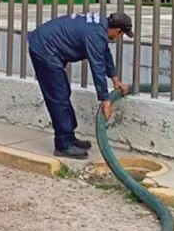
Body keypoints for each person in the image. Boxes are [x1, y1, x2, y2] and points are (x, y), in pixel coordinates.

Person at [27, 11, 132, 159]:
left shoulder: (101, 26)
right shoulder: (95, 34)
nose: (119, 38)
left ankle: (69, 138)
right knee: (59, 96)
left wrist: (115, 80)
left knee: (63, 93)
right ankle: (63, 145)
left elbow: (104, 54)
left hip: (48, 45)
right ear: (117, 30)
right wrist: (105, 100)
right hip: (44, 49)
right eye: (121, 34)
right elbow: (97, 67)